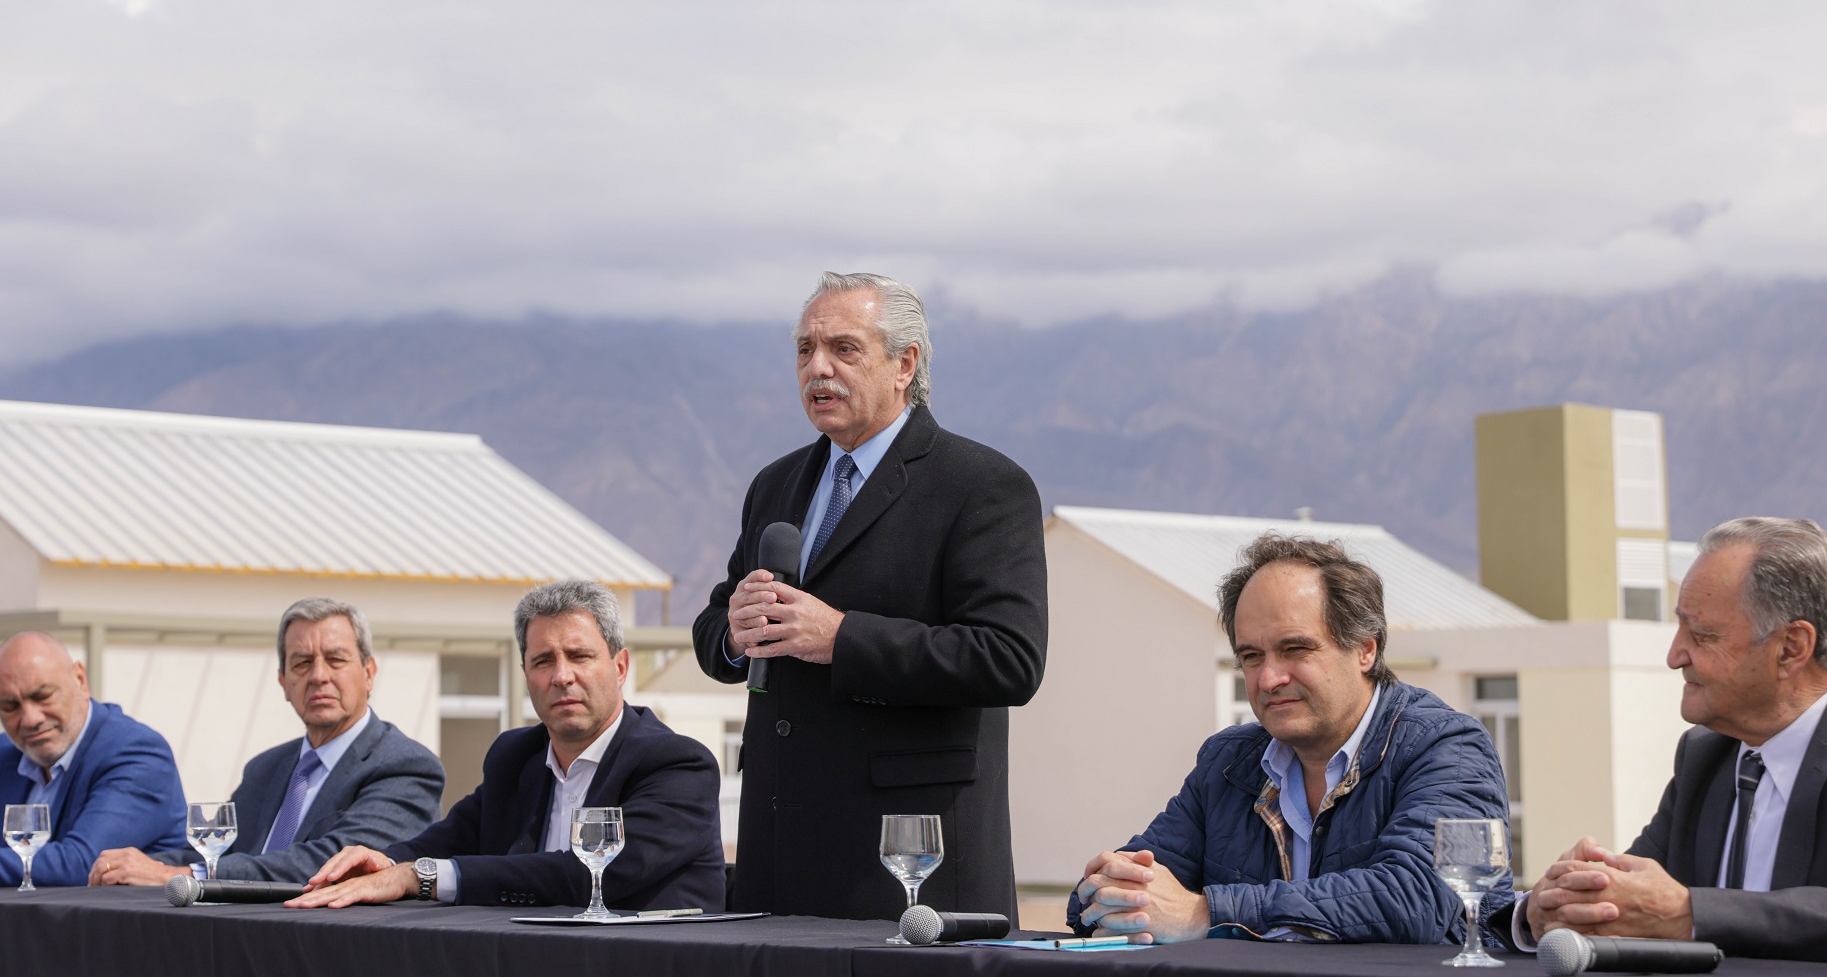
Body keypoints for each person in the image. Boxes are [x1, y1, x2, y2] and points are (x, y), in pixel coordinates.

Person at [693, 271, 1050, 920]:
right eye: (804, 349)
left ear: (904, 363)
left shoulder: (981, 485)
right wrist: (733, 633)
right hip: (779, 858)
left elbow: (1010, 657)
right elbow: (716, 625)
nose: (817, 367)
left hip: (911, 867)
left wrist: (842, 638)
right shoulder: (775, 485)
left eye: (844, 349)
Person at [1071, 534, 1514, 944]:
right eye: (1251, 656)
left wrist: (1207, 912)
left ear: (1366, 648)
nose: (1268, 678)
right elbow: (1121, 888)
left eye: (1295, 649)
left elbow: (1415, 899)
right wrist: (1113, 892)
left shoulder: (1446, 747)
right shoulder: (1228, 762)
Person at [289, 579, 725, 910]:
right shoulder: (516, 757)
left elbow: (585, 875)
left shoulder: (677, 765)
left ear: (620, 665)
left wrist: (418, 877)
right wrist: (380, 862)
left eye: (579, 656)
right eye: (542, 661)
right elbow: (452, 838)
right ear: (525, 674)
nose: (561, 676)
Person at [1510, 517, 1827, 961]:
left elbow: (1670, 910)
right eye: (1679, 630)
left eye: (1702, 636)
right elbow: (1635, 903)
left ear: (1791, 647)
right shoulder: (1705, 756)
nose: (1675, 656)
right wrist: (1556, 903)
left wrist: (1689, 913)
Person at [88, 598, 444, 886]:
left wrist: (181, 877)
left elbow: (333, 864)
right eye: (302, 663)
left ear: (368, 673)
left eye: (336, 660)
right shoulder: (266, 768)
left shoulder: (405, 767)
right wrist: (133, 866)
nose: (319, 676)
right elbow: (213, 853)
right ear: (283, 681)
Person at [0, 631, 185, 888]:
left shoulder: (137, 752)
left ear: (80, 680)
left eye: (42, 696)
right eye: (10, 706)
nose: (29, 718)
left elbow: (81, 864)